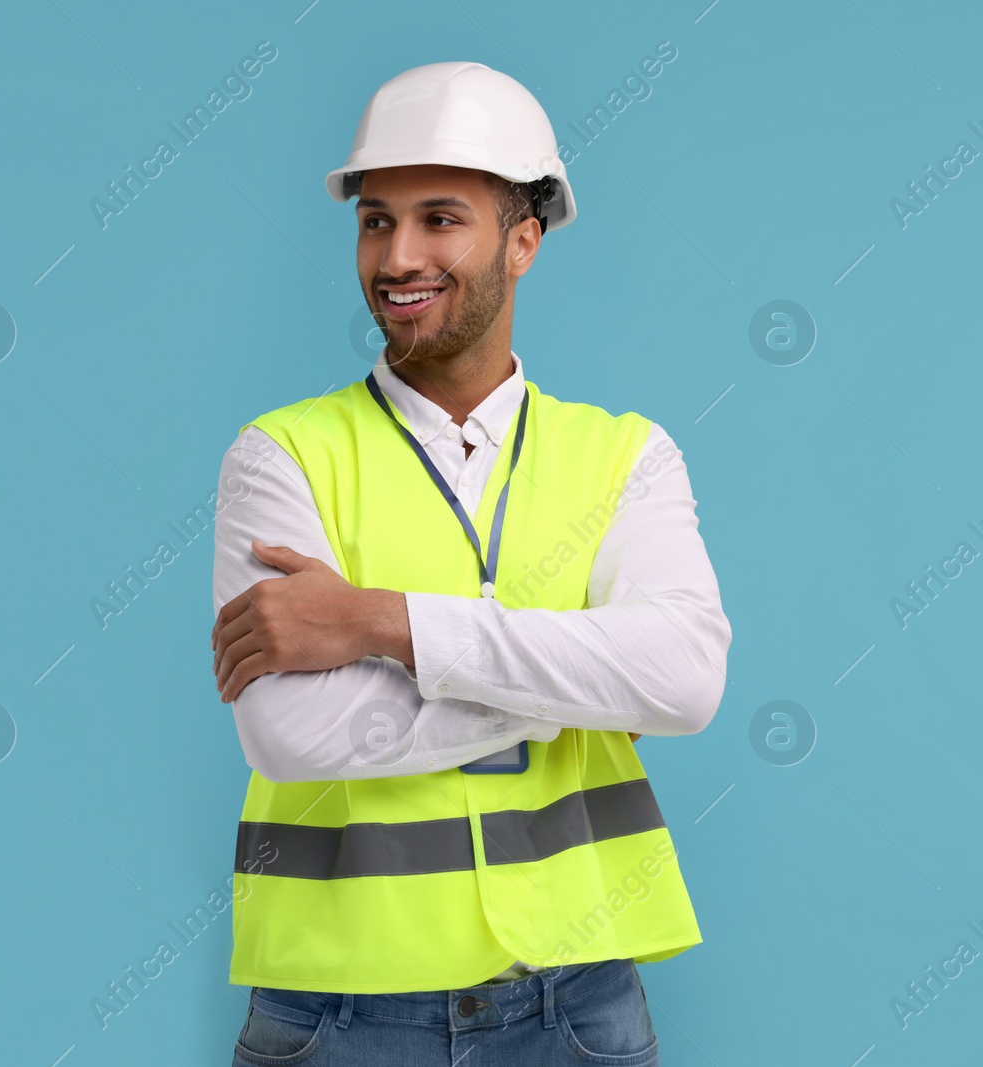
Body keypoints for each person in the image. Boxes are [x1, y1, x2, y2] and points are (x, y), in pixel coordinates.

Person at [209, 61, 732, 1066]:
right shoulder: (280, 455)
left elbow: (684, 678)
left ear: (523, 240)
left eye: (440, 218)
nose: (397, 255)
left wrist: (381, 624)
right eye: (374, 220)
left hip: (578, 1001)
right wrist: (582, 681)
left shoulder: (626, 454)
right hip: (339, 1008)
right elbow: (291, 731)